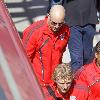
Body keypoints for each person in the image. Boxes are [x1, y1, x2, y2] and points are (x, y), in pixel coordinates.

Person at [22, 5, 70, 86]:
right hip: (38, 82)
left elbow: (61, 52)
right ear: (48, 16)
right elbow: (25, 58)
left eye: (60, 23)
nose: (57, 27)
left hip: (55, 81)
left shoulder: (65, 30)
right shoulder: (34, 32)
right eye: (54, 23)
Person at [48, 0, 99, 72]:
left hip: (90, 21)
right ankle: (76, 81)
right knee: (77, 59)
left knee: (87, 56)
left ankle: (83, 77)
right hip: (72, 23)